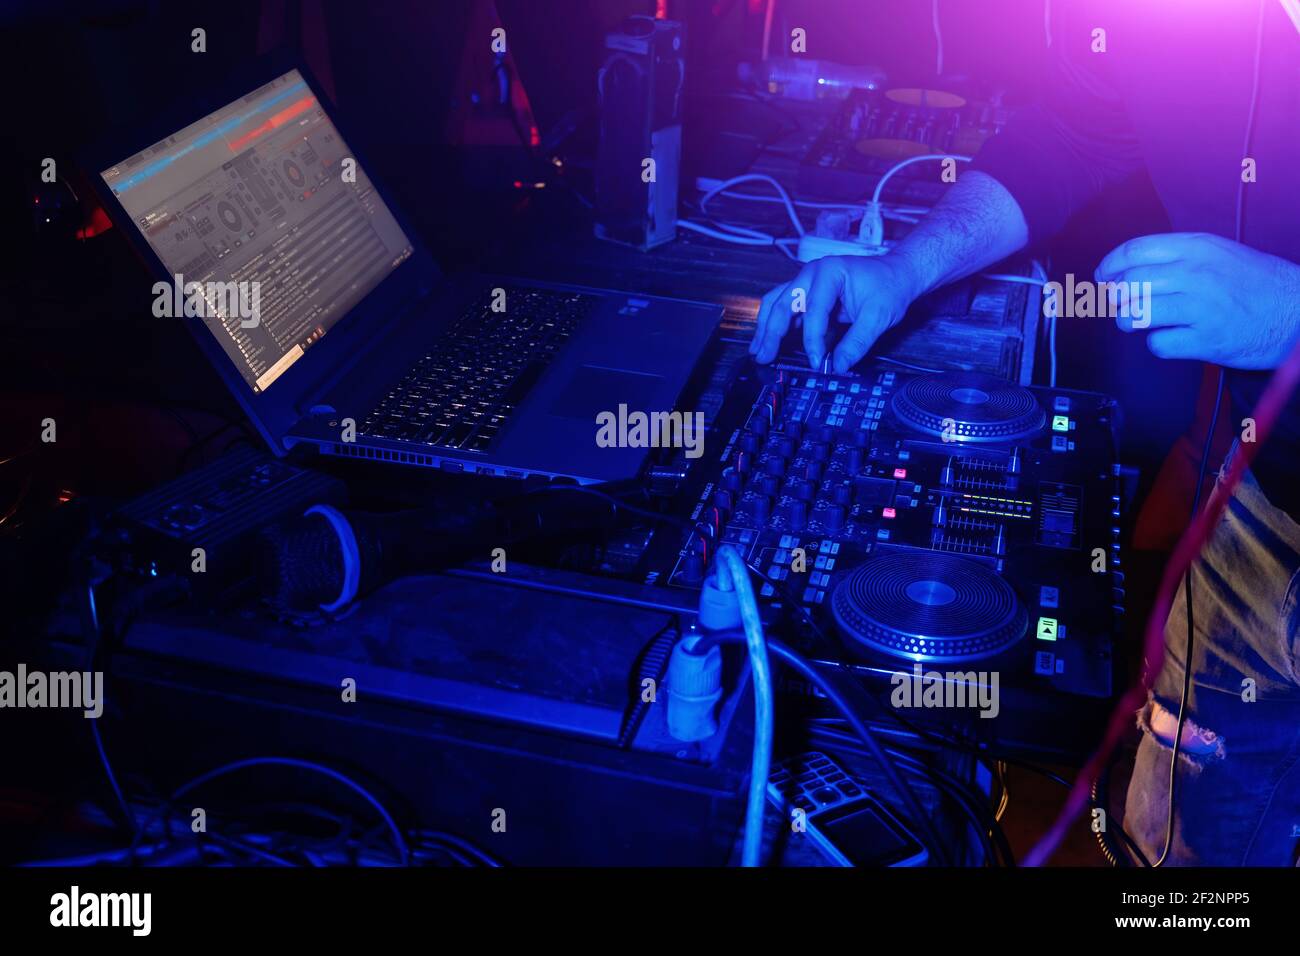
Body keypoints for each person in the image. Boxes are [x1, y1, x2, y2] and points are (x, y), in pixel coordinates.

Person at [751, 0, 1300, 865]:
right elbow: (1072, 132)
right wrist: (906, 266)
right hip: (1265, 501)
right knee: (1186, 836)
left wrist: (1289, 312)